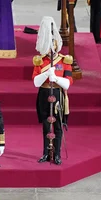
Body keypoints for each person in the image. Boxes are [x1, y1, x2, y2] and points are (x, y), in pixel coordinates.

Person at [32, 17, 72, 165]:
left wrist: (56, 78)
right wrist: (46, 74)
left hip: (57, 94)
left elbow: (67, 83)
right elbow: (36, 82)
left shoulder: (64, 60)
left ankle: (57, 154)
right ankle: (45, 153)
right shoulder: (40, 60)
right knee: (45, 125)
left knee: (57, 126)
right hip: (43, 93)